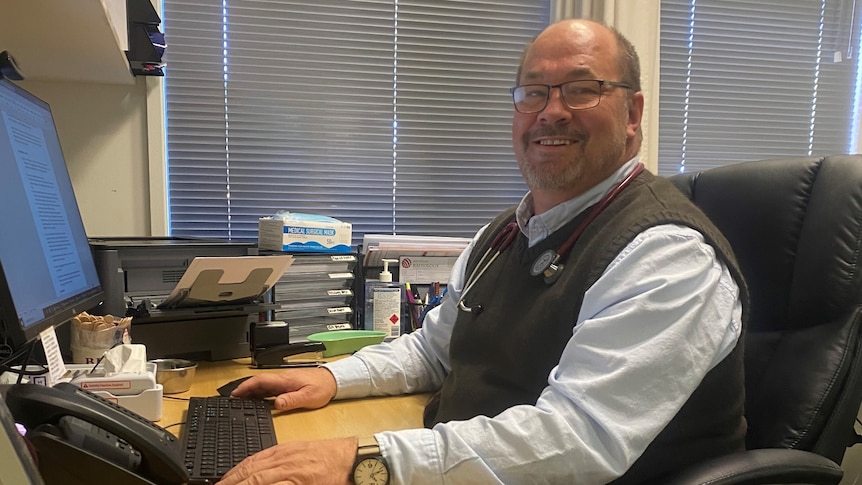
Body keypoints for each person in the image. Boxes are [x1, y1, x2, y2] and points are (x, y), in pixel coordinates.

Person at [219, 18, 748, 485]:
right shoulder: (503, 235)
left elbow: (578, 439)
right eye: (534, 92)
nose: (552, 112)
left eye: (582, 89)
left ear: (633, 114)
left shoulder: (668, 254)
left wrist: (367, 463)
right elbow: (434, 349)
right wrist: (332, 378)